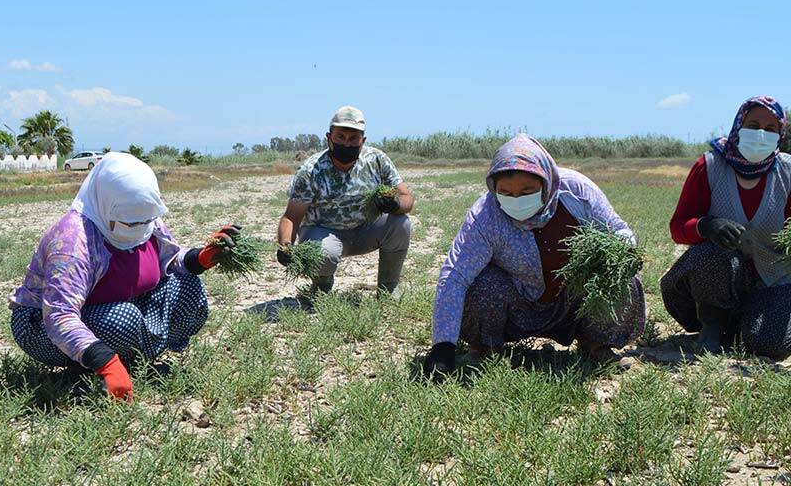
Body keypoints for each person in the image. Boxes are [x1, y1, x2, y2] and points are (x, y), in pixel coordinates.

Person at [10, 152, 238, 399]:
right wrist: (104, 360)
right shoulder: (73, 240)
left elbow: (170, 261)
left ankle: (133, 362)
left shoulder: (145, 218)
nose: (140, 228)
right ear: (107, 206)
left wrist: (200, 258)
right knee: (122, 318)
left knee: (188, 286)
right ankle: (89, 366)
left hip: (122, 302)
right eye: (130, 223)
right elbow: (58, 314)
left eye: (146, 221)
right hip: (42, 325)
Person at [422, 134, 645, 380]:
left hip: (574, 301)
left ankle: (595, 344)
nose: (516, 200)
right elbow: (455, 275)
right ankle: (484, 349)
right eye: (505, 193)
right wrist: (442, 348)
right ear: (493, 189)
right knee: (481, 285)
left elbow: (618, 229)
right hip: (519, 304)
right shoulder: (485, 216)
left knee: (620, 278)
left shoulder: (577, 192)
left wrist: (625, 250)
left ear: (546, 182)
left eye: (527, 191)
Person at [660, 96, 791, 358]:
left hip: (774, 274)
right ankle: (712, 325)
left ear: (780, 134)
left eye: (770, 129)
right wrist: (706, 225)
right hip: (722, 274)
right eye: (753, 125)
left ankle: (747, 320)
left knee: (765, 344)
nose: (760, 134)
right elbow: (678, 227)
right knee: (711, 253)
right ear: (738, 126)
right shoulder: (708, 166)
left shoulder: (790, 171)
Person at [276, 105, 414, 296]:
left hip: (365, 231)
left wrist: (395, 204)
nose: (347, 144)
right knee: (324, 254)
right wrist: (285, 246)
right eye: (340, 136)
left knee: (401, 223)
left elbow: (407, 198)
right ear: (329, 137)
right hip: (324, 234)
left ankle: (388, 288)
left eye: (353, 138)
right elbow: (292, 216)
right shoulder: (310, 170)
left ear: (362, 140)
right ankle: (321, 288)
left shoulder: (377, 160)